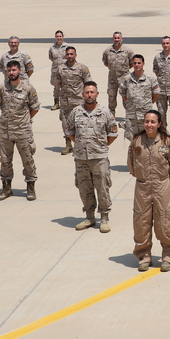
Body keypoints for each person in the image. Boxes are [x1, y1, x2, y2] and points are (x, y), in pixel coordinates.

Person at [128, 110, 170, 272]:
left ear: (159, 124)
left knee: (164, 221)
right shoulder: (137, 141)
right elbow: (131, 163)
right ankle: (144, 256)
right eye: (147, 121)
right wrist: (142, 177)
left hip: (161, 185)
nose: (149, 125)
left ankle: (168, 255)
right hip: (142, 186)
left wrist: (162, 178)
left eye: (152, 122)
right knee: (141, 222)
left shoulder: (167, 141)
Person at [66, 81, 118, 232]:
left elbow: (113, 133)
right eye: (87, 92)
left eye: (92, 92)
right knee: (84, 188)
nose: (89, 95)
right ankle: (89, 217)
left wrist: (99, 145)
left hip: (99, 157)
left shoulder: (105, 112)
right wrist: (81, 144)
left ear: (97, 94)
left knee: (102, 188)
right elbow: (70, 132)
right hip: (81, 158)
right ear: (83, 94)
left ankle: (104, 218)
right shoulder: (76, 112)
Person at [0, 60, 39, 201]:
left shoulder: (28, 88)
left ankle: (30, 187)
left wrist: (24, 120)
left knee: (27, 160)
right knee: (5, 161)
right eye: (9, 70)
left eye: (14, 70)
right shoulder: (2, 88)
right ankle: (6, 188)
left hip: (22, 131)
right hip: (5, 131)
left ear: (19, 71)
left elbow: (35, 108)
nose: (11, 73)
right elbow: (1, 106)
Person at [56, 47, 91, 155]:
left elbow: (88, 84)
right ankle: (68, 145)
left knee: (81, 123)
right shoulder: (60, 68)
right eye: (68, 54)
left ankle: (82, 145)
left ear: (75, 55)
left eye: (71, 54)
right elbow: (58, 83)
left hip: (78, 100)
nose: (69, 56)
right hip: (65, 101)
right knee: (65, 123)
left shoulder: (82, 68)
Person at [119, 53, 159, 143]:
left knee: (147, 138)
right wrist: (129, 105)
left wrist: (147, 104)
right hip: (131, 115)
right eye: (135, 63)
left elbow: (156, 94)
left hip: (145, 114)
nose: (137, 65)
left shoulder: (150, 78)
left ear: (143, 64)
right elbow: (123, 93)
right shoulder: (127, 79)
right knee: (132, 139)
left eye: (139, 63)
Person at [102, 31, 134, 117]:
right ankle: (112, 116)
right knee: (111, 97)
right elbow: (105, 62)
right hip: (112, 78)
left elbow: (132, 63)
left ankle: (129, 116)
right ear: (112, 39)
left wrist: (123, 70)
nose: (116, 40)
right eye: (115, 38)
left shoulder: (128, 50)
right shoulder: (107, 51)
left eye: (118, 38)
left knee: (126, 97)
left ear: (121, 39)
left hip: (124, 77)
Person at [47, 30, 68, 111]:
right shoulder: (52, 48)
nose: (59, 38)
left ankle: (65, 103)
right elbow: (51, 58)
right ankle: (56, 103)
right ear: (55, 37)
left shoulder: (67, 47)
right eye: (57, 36)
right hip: (55, 70)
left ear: (63, 37)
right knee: (56, 87)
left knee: (66, 86)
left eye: (60, 36)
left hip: (65, 70)